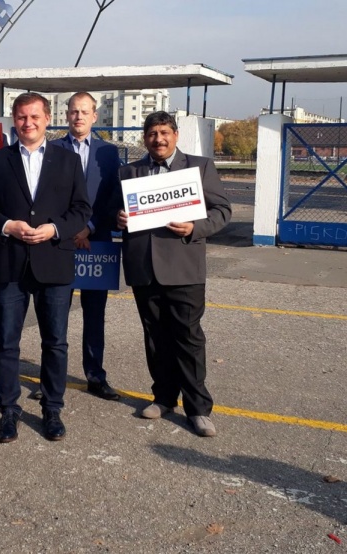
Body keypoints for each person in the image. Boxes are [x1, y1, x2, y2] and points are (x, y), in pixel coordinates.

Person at [0, 92, 91, 443]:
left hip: (54, 263)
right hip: (10, 265)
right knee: (7, 343)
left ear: (47, 117)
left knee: (55, 342)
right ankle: (9, 410)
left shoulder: (68, 161)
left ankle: (52, 408)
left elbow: (81, 209)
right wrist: (8, 225)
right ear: (14, 119)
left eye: (35, 117)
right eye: (22, 117)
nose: (28, 123)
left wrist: (55, 228)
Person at [114, 111, 232, 437]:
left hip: (183, 269)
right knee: (155, 337)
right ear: (145, 138)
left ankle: (198, 408)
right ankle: (163, 397)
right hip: (143, 268)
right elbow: (112, 211)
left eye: (164, 132)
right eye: (152, 134)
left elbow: (223, 211)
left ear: (176, 134)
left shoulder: (200, 167)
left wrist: (196, 227)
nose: (159, 139)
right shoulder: (129, 171)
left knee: (188, 338)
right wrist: (118, 219)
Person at [38, 91, 122, 401]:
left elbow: (112, 197)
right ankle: (49, 378)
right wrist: (71, 228)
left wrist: (89, 227)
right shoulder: (52, 148)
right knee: (54, 313)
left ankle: (95, 376)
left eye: (84, 111)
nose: (78, 117)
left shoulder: (109, 153)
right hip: (60, 242)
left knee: (94, 313)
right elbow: (45, 195)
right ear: (66, 114)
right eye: (73, 111)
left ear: (95, 116)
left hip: (96, 243)